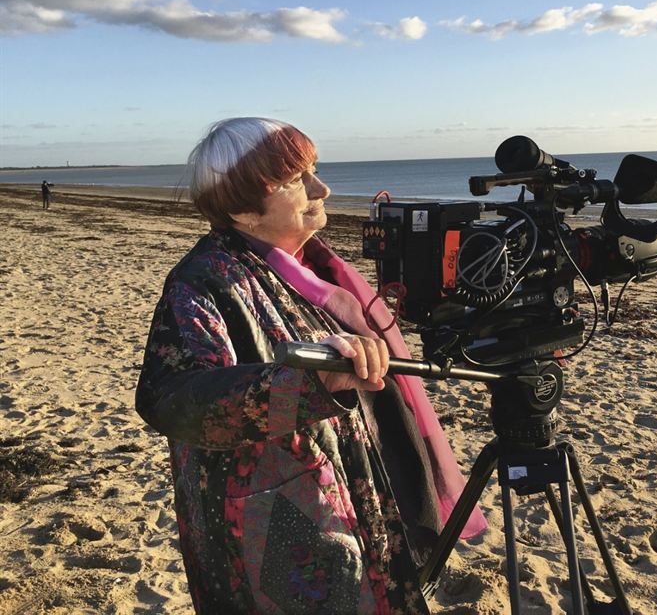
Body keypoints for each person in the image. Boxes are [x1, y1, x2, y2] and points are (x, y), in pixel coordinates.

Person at [136, 118, 485, 614]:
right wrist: (302, 385)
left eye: (314, 170)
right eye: (297, 180)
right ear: (241, 207)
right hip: (278, 520)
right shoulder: (205, 280)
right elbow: (170, 398)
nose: (322, 188)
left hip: (347, 491)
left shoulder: (311, 268)